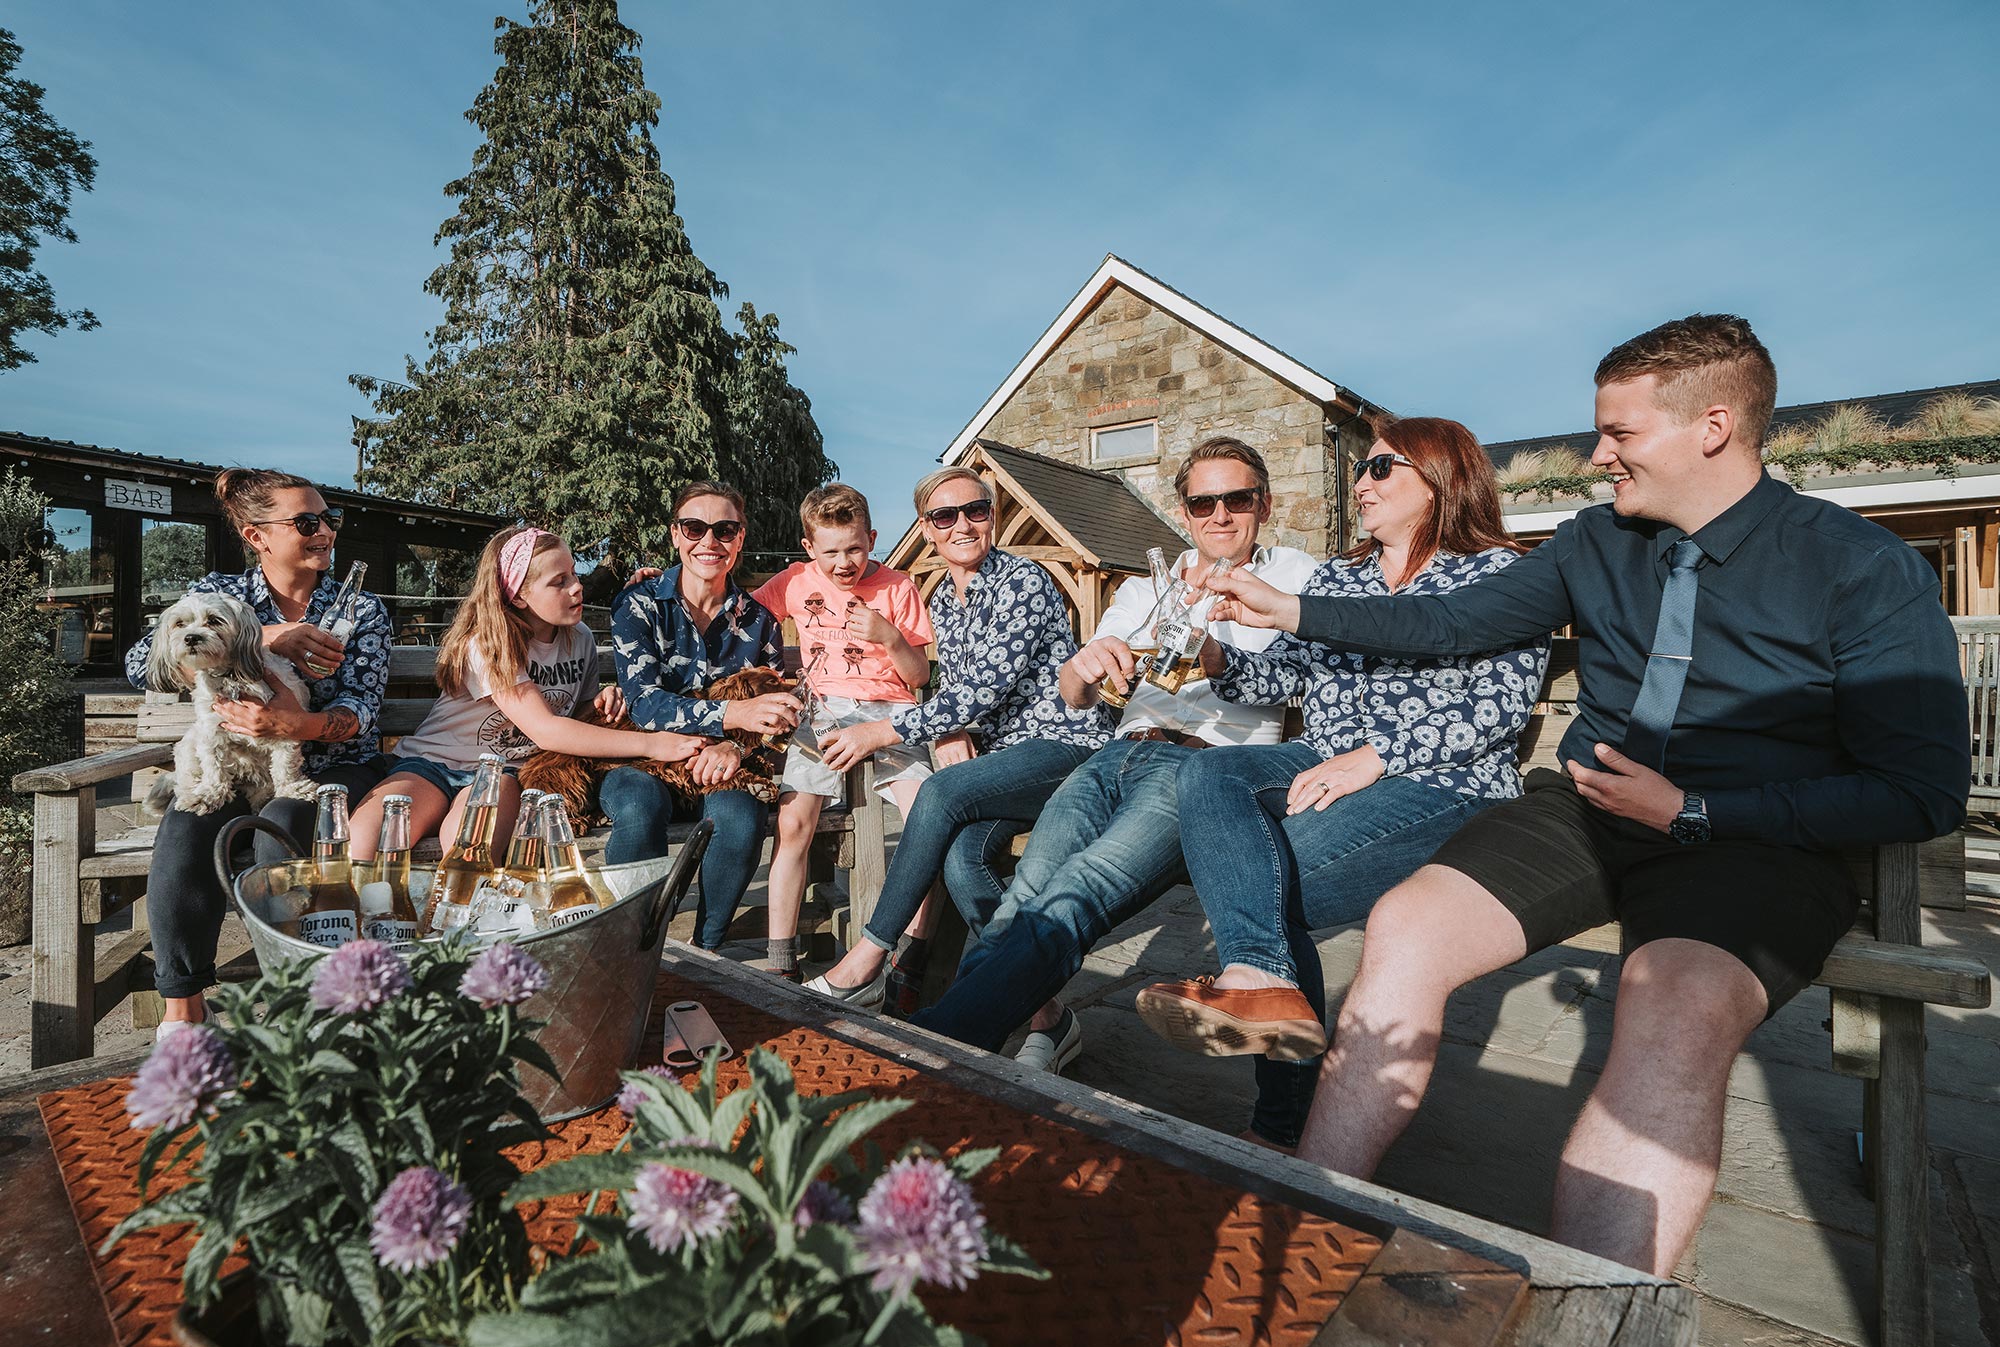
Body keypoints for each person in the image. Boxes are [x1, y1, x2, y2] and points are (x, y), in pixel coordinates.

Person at [1199, 314, 1968, 1276]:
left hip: (1755, 839)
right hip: (1585, 811)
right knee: (1407, 924)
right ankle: (1302, 1222)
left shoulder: (1862, 568)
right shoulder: (1593, 541)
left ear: (1714, 427)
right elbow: (1452, 623)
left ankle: (1585, 1304)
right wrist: (1289, 609)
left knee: (1672, 1004)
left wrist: (1697, 810)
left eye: (1619, 433)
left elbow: (1920, 791)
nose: (1597, 454)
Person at [1132, 418, 1546, 1150]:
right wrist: (1218, 657)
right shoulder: (1339, 577)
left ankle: (1280, 1115)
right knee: (1208, 769)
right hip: (1324, 757)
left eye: (1381, 468)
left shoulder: (1498, 575)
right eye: (1361, 469)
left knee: (1271, 882)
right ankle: (1259, 976)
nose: (1361, 483)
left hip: (1446, 778)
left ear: (1440, 477)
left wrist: (1377, 755)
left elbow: (1497, 706)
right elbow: (1286, 676)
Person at [905, 437, 1317, 1072]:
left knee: (1079, 888)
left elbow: (1313, 678)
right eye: (1202, 503)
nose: (1220, 515)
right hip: (1112, 755)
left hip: (1203, 770)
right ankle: (969, 1044)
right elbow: (1074, 695)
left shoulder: (1296, 577)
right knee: (1025, 893)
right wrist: (1086, 665)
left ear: (1263, 503)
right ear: (1183, 513)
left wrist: (1221, 656)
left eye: (1237, 499)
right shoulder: (1147, 587)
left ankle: (942, 1048)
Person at [801, 465, 1113, 1013]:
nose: (962, 525)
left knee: (939, 794)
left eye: (976, 510)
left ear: (993, 516)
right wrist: (952, 727)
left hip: (1063, 746)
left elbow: (982, 689)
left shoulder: (1023, 581)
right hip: (1002, 760)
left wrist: (881, 731)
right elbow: (954, 688)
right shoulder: (944, 598)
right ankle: (1045, 1011)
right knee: (964, 863)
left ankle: (868, 959)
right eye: (944, 515)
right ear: (926, 528)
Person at [125, 468, 392, 1038]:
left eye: (329, 519)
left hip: (332, 767)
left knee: (280, 825)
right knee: (187, 824)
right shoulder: (222, 595)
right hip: (239, 767)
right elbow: (140, 663)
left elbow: (362, 709)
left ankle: (300, 1004)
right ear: (257, 536)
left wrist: (292, 723)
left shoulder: (360, 608)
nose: (326, 532)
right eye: (307, 522)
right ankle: (184, 1011)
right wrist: (262, 637)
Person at [351, 525, 702, 860]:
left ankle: (461, 903)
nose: (576, 587)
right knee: (367, 840)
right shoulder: (490, 642)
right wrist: (652, 744)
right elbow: (547, 730)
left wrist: (602, 701)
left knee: (470, 848)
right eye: (559, 582)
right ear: (519, 595)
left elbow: (574, 715)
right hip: (433, 764)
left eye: (574, 574)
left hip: (504, 771)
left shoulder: (579, 638)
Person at [749, 483, 936, 980]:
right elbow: (737, 613)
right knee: (794, 822)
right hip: (823, 711)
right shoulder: (794, 580)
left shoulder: (898, 587)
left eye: (854, 548)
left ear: (871, 539)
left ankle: (908, 956)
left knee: (927, 821)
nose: (843, 563)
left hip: (891, 712)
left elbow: (919, 677)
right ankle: (781, 958)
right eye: (830, 552)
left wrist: (889, 636)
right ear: (809, 547)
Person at [604, 482, 800, 951]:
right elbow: (645, 703)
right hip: (644, 760)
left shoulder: (759, 621)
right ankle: (632, 946)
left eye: (724, 529)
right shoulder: (640, 605)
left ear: (740, 537)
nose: (709, 541)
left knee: (741, 818)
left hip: (723, 765)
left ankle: (704, 952)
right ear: (676, 534)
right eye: (694, 527)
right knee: (637, 809)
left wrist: (736, 746)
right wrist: (734, 714)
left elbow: (775, 714)